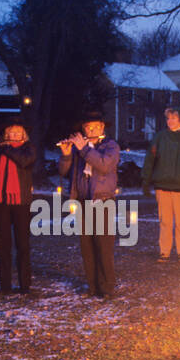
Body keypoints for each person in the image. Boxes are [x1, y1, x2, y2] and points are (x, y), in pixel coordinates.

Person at [57, 110, 121, 297]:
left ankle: (107, 286)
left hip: (103, 201)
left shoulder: (110, 146)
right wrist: (67, 155)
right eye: (87, 127)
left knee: (103, 246)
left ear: (102, 127)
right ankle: (93, 286)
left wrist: (84, 149)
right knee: (87, 247)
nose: (91, 129)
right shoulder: (78, 148)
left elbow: (104, 165)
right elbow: (63, 172)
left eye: (95, 126)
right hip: (82, 202)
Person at [0, 122, 37, 293]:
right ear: (5, 134)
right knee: (3, 245)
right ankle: (5, 285)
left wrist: (7, 149)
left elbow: (25, 161)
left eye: (17, 131)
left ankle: (24, 285)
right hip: (1, 201)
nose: (13, 135)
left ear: (23, 134)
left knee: (23, 245)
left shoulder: (29, 148)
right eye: (10, 132)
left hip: (21, 202)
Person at [141, 107, 180, 264]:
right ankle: (164, 251)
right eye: (168, 118)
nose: (170, 121)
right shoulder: (160, 137)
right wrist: (146, 180)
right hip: (163, 186)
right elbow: (150, 160)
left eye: (174, 118)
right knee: (165, 221)